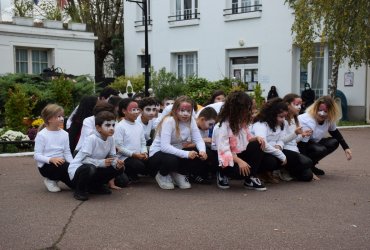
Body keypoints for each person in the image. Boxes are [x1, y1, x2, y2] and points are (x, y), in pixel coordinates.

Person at [148, 96, 207, 190]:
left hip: (177, 152)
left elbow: (199, 140)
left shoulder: (191, 121)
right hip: (158, 154)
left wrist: (202, 151)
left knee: (198, 154)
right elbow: (164, 147)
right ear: (175, 110)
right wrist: (186, 154)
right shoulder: (168, 121)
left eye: (188, 111)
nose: (185, 114)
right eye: (182, 110)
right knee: (172, 160)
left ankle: (178, 173)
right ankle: (162, 174)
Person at [212, 91, 266, 190]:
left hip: (237, 154)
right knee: (238, 174)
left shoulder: (241, 122)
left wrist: (257, 138)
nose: (248, 111)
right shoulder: (221, 126)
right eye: (246, 108)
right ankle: (222, 173)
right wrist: (240, 161)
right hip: (221, 157)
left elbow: (247, 139)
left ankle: (250, 178)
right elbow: (224, 151)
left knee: (258, 144)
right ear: (236, 109)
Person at [68, 111, 124, 201]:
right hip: (78, 172)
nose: (111, 128)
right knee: (90, 168)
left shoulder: (111, 139)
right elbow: (83, 160)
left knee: (120, 168)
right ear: (98, 128)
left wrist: (117, 163)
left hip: (95, 167)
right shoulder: (91, 139)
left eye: (113, 125)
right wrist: (101, 162)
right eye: (108, 125)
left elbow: (113, 156)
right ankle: (79, 190)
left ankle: (94, 187)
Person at [298, 96, 352, 176]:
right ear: (315, 108)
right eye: (320, 110)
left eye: (326, 111)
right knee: (320, 150)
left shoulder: (329, 118)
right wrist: (306, 168)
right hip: (299, 145)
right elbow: (301, 146)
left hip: (312, 143)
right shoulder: (307, 121)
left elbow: (335, 132)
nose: (322, 114)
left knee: (334, 142)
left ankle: (312, 165)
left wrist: (346, 148)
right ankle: (305, 166)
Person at [34, 104, 74, 192]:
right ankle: (50, 179)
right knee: (63, 167)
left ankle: (56, 179)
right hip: (46, 166)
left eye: (62, 116)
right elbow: (37, 155)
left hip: (62, 164)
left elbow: (67, 152)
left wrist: (73, 165)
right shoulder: (42, 135)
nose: (62, 118)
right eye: (58, 116)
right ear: (49, 119)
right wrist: (51, 159)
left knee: (75, 184)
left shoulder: (65, 134)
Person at [251, 98, 288, 184]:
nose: (283, 119)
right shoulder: (261, 124)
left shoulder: (281, 123)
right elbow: (262, 143)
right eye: (281, 116)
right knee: (273, 161)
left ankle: (267, 173)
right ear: (271, 114)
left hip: (272, 150)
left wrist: (279, 146)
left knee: (284, 158)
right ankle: (259, 173)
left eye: (285, 116)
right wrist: (280, 154)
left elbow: (282, 138)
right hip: (259, 152)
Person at [281, 94, 314, 181]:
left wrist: (302, 135)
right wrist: (295, 133)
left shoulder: (296, 119)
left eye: (300, 105)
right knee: (308, 162)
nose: (299, 107)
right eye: (296, 104)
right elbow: (281, 140)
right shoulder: (282, 119)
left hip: (295, 150)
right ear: (287, 105)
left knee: (308, 176)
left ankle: (290, 170)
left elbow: (295, 141)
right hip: (284, 150)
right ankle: (282, 169)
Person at [114, 98, 148, 183]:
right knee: (138, 165)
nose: (136, 112)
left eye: (137, 109)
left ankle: (133, 174)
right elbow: (119, 147)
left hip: (138, 155)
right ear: (124, 111)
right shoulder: (120, 126)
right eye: (133, 110)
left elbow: (143, 142)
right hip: (125, 158)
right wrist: (133, 155)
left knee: (151, 162)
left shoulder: (139, 125)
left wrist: (144, 152)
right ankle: (127, 173)